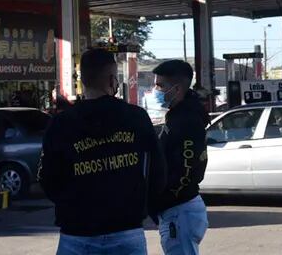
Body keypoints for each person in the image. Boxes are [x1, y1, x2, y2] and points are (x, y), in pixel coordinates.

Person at [39, 48, 166, 255]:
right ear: (111, 80)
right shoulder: (137, 118)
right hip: (127, 230)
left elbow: (48, 178)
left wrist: (72, 205)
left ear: (83, 81)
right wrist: (142, 205)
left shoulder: (61, 124)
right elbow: (157, 171)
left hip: (77, 234)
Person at [151, 60, 210, 255]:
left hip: (179, 211)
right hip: (177, 210)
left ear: (176, 89)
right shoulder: (178, 115)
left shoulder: (187, 121)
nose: (156, 90)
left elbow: (187, 169)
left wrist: (162, 199)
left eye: (160, 85)